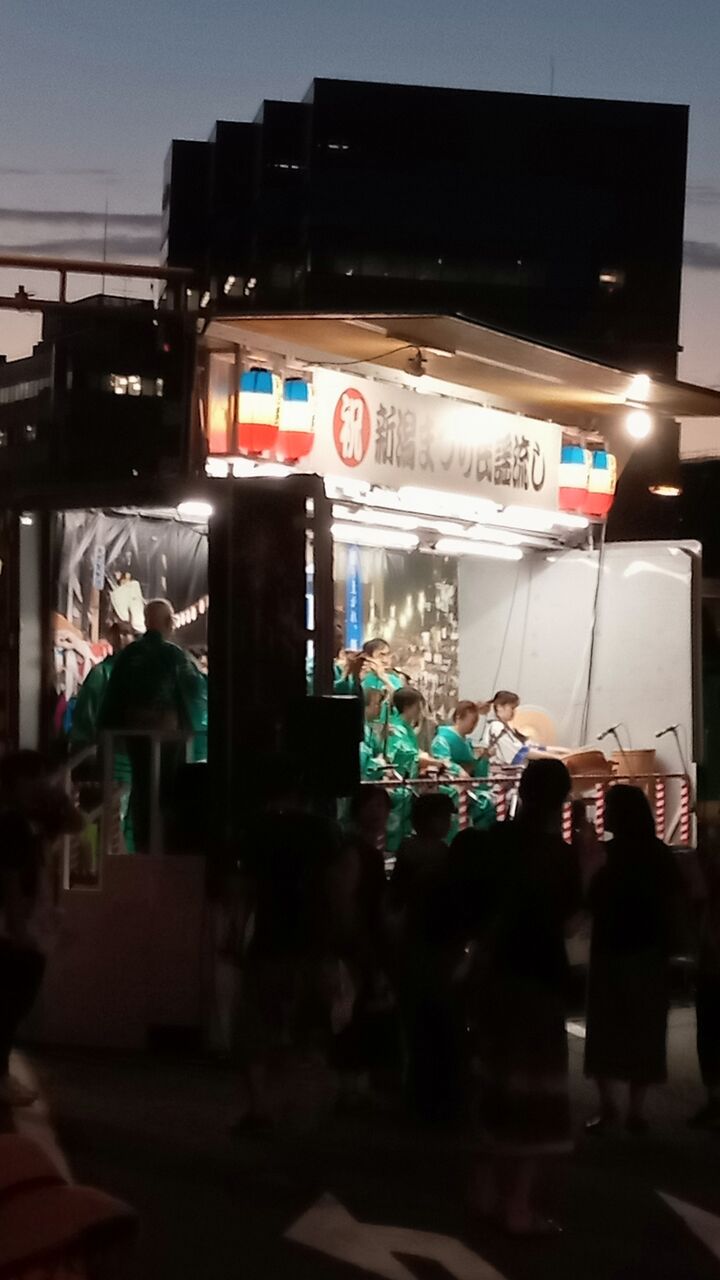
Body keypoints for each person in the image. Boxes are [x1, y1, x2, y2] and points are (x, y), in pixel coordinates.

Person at [467, 759, 580, 1235]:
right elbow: (570, 924)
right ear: (562, 801)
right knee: (535, 1096)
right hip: (538, 978)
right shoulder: (559, 855)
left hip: (494, 975)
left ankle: (486, 1193)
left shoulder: (494, 842)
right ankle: (517, 1207)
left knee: (494, 1084)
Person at [584, 785, 683, 1134]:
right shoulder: (658, 853)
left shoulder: (606, 854)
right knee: (645, 1029)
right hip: (650, 949)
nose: (604, 814)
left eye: (609, 807)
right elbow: (674, 898)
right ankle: (635, 1110)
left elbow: (589, 898)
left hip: (610, 947)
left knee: (605, 1028)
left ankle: (608, 1107)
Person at [0, 751, 83, 1107]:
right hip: (14, 931)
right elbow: (10, 879)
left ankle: (2, 1076)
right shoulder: (12, 823)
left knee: (13, 1006)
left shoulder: (30, 819)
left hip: (27, 926)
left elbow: (76, 824)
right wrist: (19, 930)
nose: (40, 782)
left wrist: (56, 798)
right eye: (32, 776)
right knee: (9, 1006)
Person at [98, 599, 207, 852]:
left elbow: (112, 697)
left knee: (142, 788)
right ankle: (164, 848)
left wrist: (104, 732)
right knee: (168, 791)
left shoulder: (129, 656)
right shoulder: (174, 655)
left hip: (134, 735)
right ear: (169, 622)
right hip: (169, 736)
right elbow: (195, 692)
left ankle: (142, 845)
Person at [389, 791, 464, 1121]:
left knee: (417, 1027)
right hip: (435, 946)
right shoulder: (438, 854)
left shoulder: (409, 850)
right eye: (443, 817)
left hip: (416, 945)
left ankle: (417, 1094)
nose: (447, 823)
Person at [432, 700, 495, 832]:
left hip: (469, 784)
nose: (474, 726)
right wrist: (458, 769)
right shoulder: (442, 739)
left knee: (491, 802)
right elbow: (443, 762)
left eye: (476, 723)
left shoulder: (467, 742)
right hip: (450, 786)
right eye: (472, 721)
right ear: (459, 717)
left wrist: (483, 758)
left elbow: (475, 768)